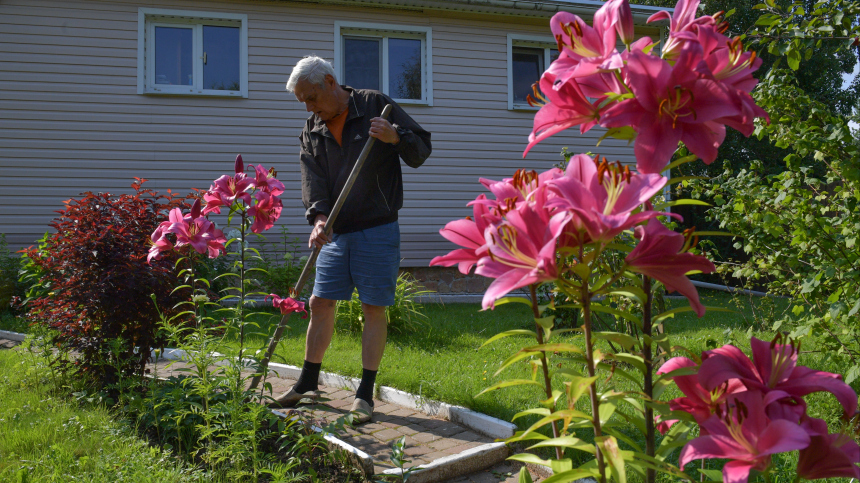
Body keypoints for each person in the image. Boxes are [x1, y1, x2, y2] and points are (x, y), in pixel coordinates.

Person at [270, 55, 431, 424]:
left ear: (329, 81)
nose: (309, 108)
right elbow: (312, 181)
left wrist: (395, 137)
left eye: (311, 98)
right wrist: (319, 218)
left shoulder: (375, 104)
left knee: (373, 307)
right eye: (303, 103)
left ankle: (364, 394)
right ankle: (308, 382)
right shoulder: (312, 129)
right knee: (319, 303)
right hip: (336, 230)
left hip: (377, 227)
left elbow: (421, 149)